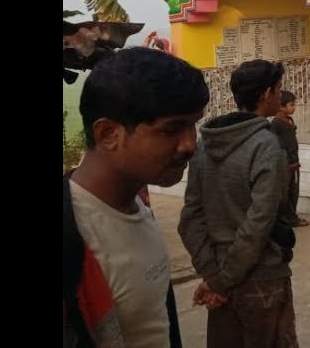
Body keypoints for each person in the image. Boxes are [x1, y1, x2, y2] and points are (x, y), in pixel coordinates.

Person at [64, 47, 208, 348]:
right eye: (172, 129)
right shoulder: (72, 235)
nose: (190, 144)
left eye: (193, 125)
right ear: (108, 134)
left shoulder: (138, 209)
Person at [179, 58, 300, 347]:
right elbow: (259, 222)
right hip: (262, 278)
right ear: (266, 94)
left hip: (221, 273)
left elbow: (190, 219)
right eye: (278, 90)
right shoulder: (266, 145)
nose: (280, 96)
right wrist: (221, 279)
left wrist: (214, 275)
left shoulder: (205, 145)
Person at [271, 90, 310, 228]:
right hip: (286, 164)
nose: (294, 107)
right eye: (291, 105)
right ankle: (289, 218)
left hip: (293, 162)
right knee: (287, 192)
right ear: (281, 106)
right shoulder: (276, 124)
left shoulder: (288, 121)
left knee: (293, 191)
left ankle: (291, 217)